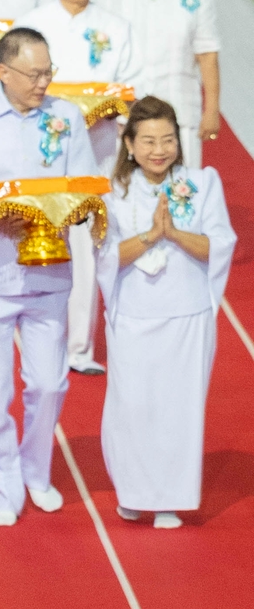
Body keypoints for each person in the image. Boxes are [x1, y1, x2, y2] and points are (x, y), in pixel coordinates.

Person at [0, 25, 99, 526]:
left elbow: (87, 193)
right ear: (2, 73)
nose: (43, 81)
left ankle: (36, 469)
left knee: (49, 384)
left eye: (49, 71)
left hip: (50, 275)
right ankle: (3, 487)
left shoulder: (68, 118)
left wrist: (56, 213)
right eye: (34, 73)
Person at [98, 97, 234, 527]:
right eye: (149, 141)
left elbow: (218, 246)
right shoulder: (112, 192)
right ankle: (134, 491)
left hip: (186, 313)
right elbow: (105, 257)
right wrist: (150, 236)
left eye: (169, 139)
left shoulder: (203, 183)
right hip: (135, 314)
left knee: (180, 408)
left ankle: (171, 498)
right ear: (130, 144)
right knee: (132, 406)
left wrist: (173, 233)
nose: (160, 150)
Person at [32, 0, 135, 376]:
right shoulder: (31, 25)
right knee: (42, 246)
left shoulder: (117, 28)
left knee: (90, 248)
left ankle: (80, 347)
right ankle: (40, 336)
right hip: (41, 156)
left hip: (98, 154)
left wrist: (106, 111)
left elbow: (132, 92)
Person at [103, 0, 221, 168]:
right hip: (126, 112)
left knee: (182, 193)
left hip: (179, 109)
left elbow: (207, 52)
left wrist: (211, 111)